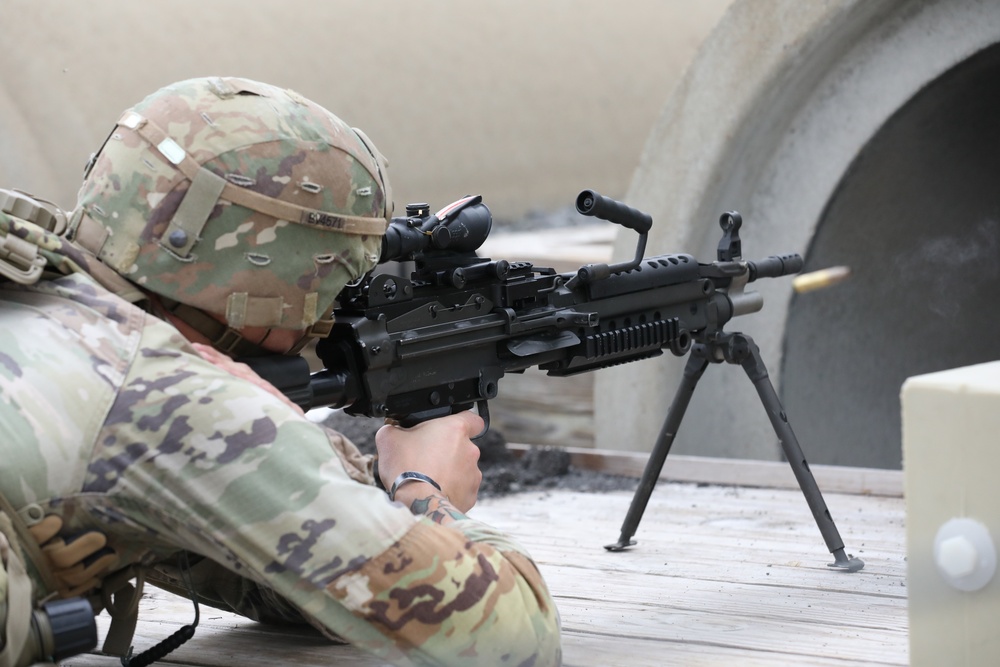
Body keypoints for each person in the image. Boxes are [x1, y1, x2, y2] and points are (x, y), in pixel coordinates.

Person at [0, 76, 561, 666]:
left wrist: (345, 491)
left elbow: (282, 575)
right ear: (270, 279)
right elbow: (512, 636)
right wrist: (422, 490)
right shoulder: (173, 399)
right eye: (335, 283)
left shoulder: (31, 276)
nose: (327, 315)